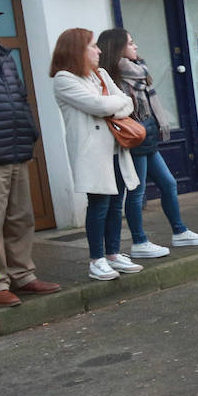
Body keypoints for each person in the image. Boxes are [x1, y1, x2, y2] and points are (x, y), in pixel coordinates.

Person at [0, 0, 60, 307]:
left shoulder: (3, 56)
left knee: (21, 218)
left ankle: (23, 275)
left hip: (17, 149)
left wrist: (30, 130)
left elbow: (20, 97)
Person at [97, 28, 198, 258]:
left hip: (148, 138)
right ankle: (139, 242)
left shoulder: (138, 72)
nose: (135, 46)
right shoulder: (115, 78)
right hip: (134, 139)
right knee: (137, 193)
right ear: (118, 49)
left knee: (168, 184)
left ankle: (180, 232)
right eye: (130, 43)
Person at [50, 28, 143, 282]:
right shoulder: (64, 79)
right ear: (77, 50)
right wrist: (113, 105)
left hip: (115, 149)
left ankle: (113, 254)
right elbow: (98, 105)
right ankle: (96, 259)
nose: (99, 50)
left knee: (116, 204)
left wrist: (112, 106)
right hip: (92, 154)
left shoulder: (100, 74)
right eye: (93, 46)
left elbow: (128, 102)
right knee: (99, 206)